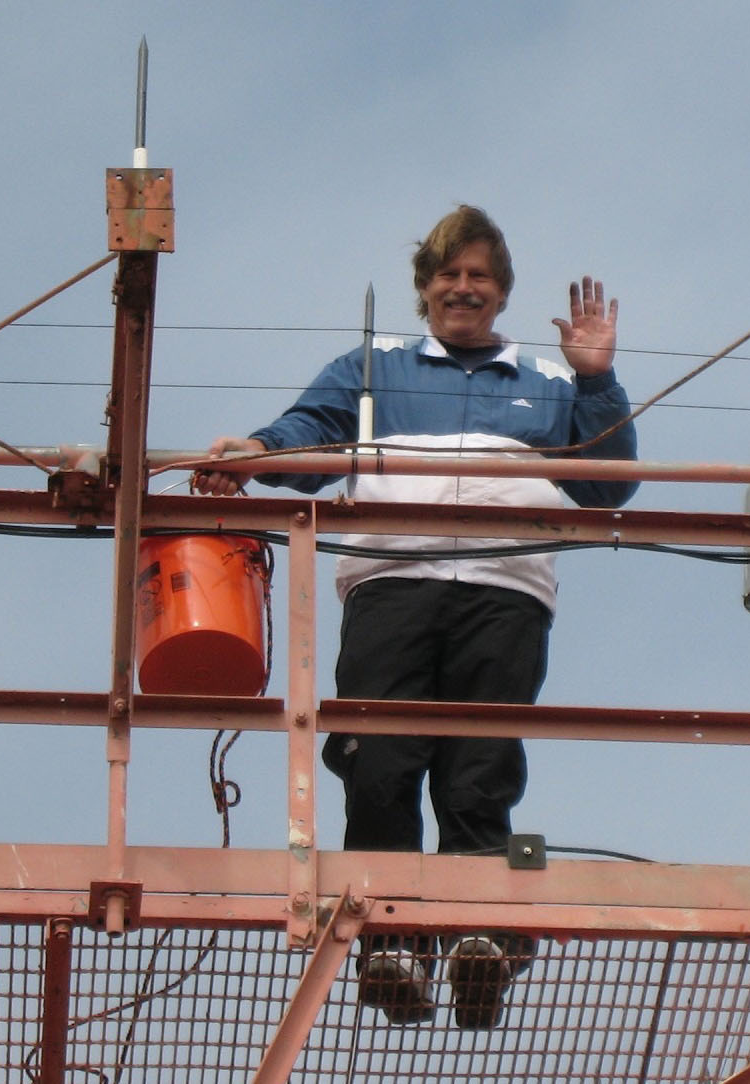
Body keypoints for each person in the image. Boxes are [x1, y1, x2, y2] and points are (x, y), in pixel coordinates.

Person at [196, 205, 638, 1027]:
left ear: (501, 292)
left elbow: (609, 486)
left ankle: (477, 936)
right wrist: (258, 454)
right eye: (448, 275)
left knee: (480, 768)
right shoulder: (373, 369)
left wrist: (596, 379)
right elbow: (310, 433)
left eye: (478, 275)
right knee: (380, 764)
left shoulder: (549, 384)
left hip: (505, 590)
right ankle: (393, 945)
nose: (461, 288)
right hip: (392, 585)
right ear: (425, 289)